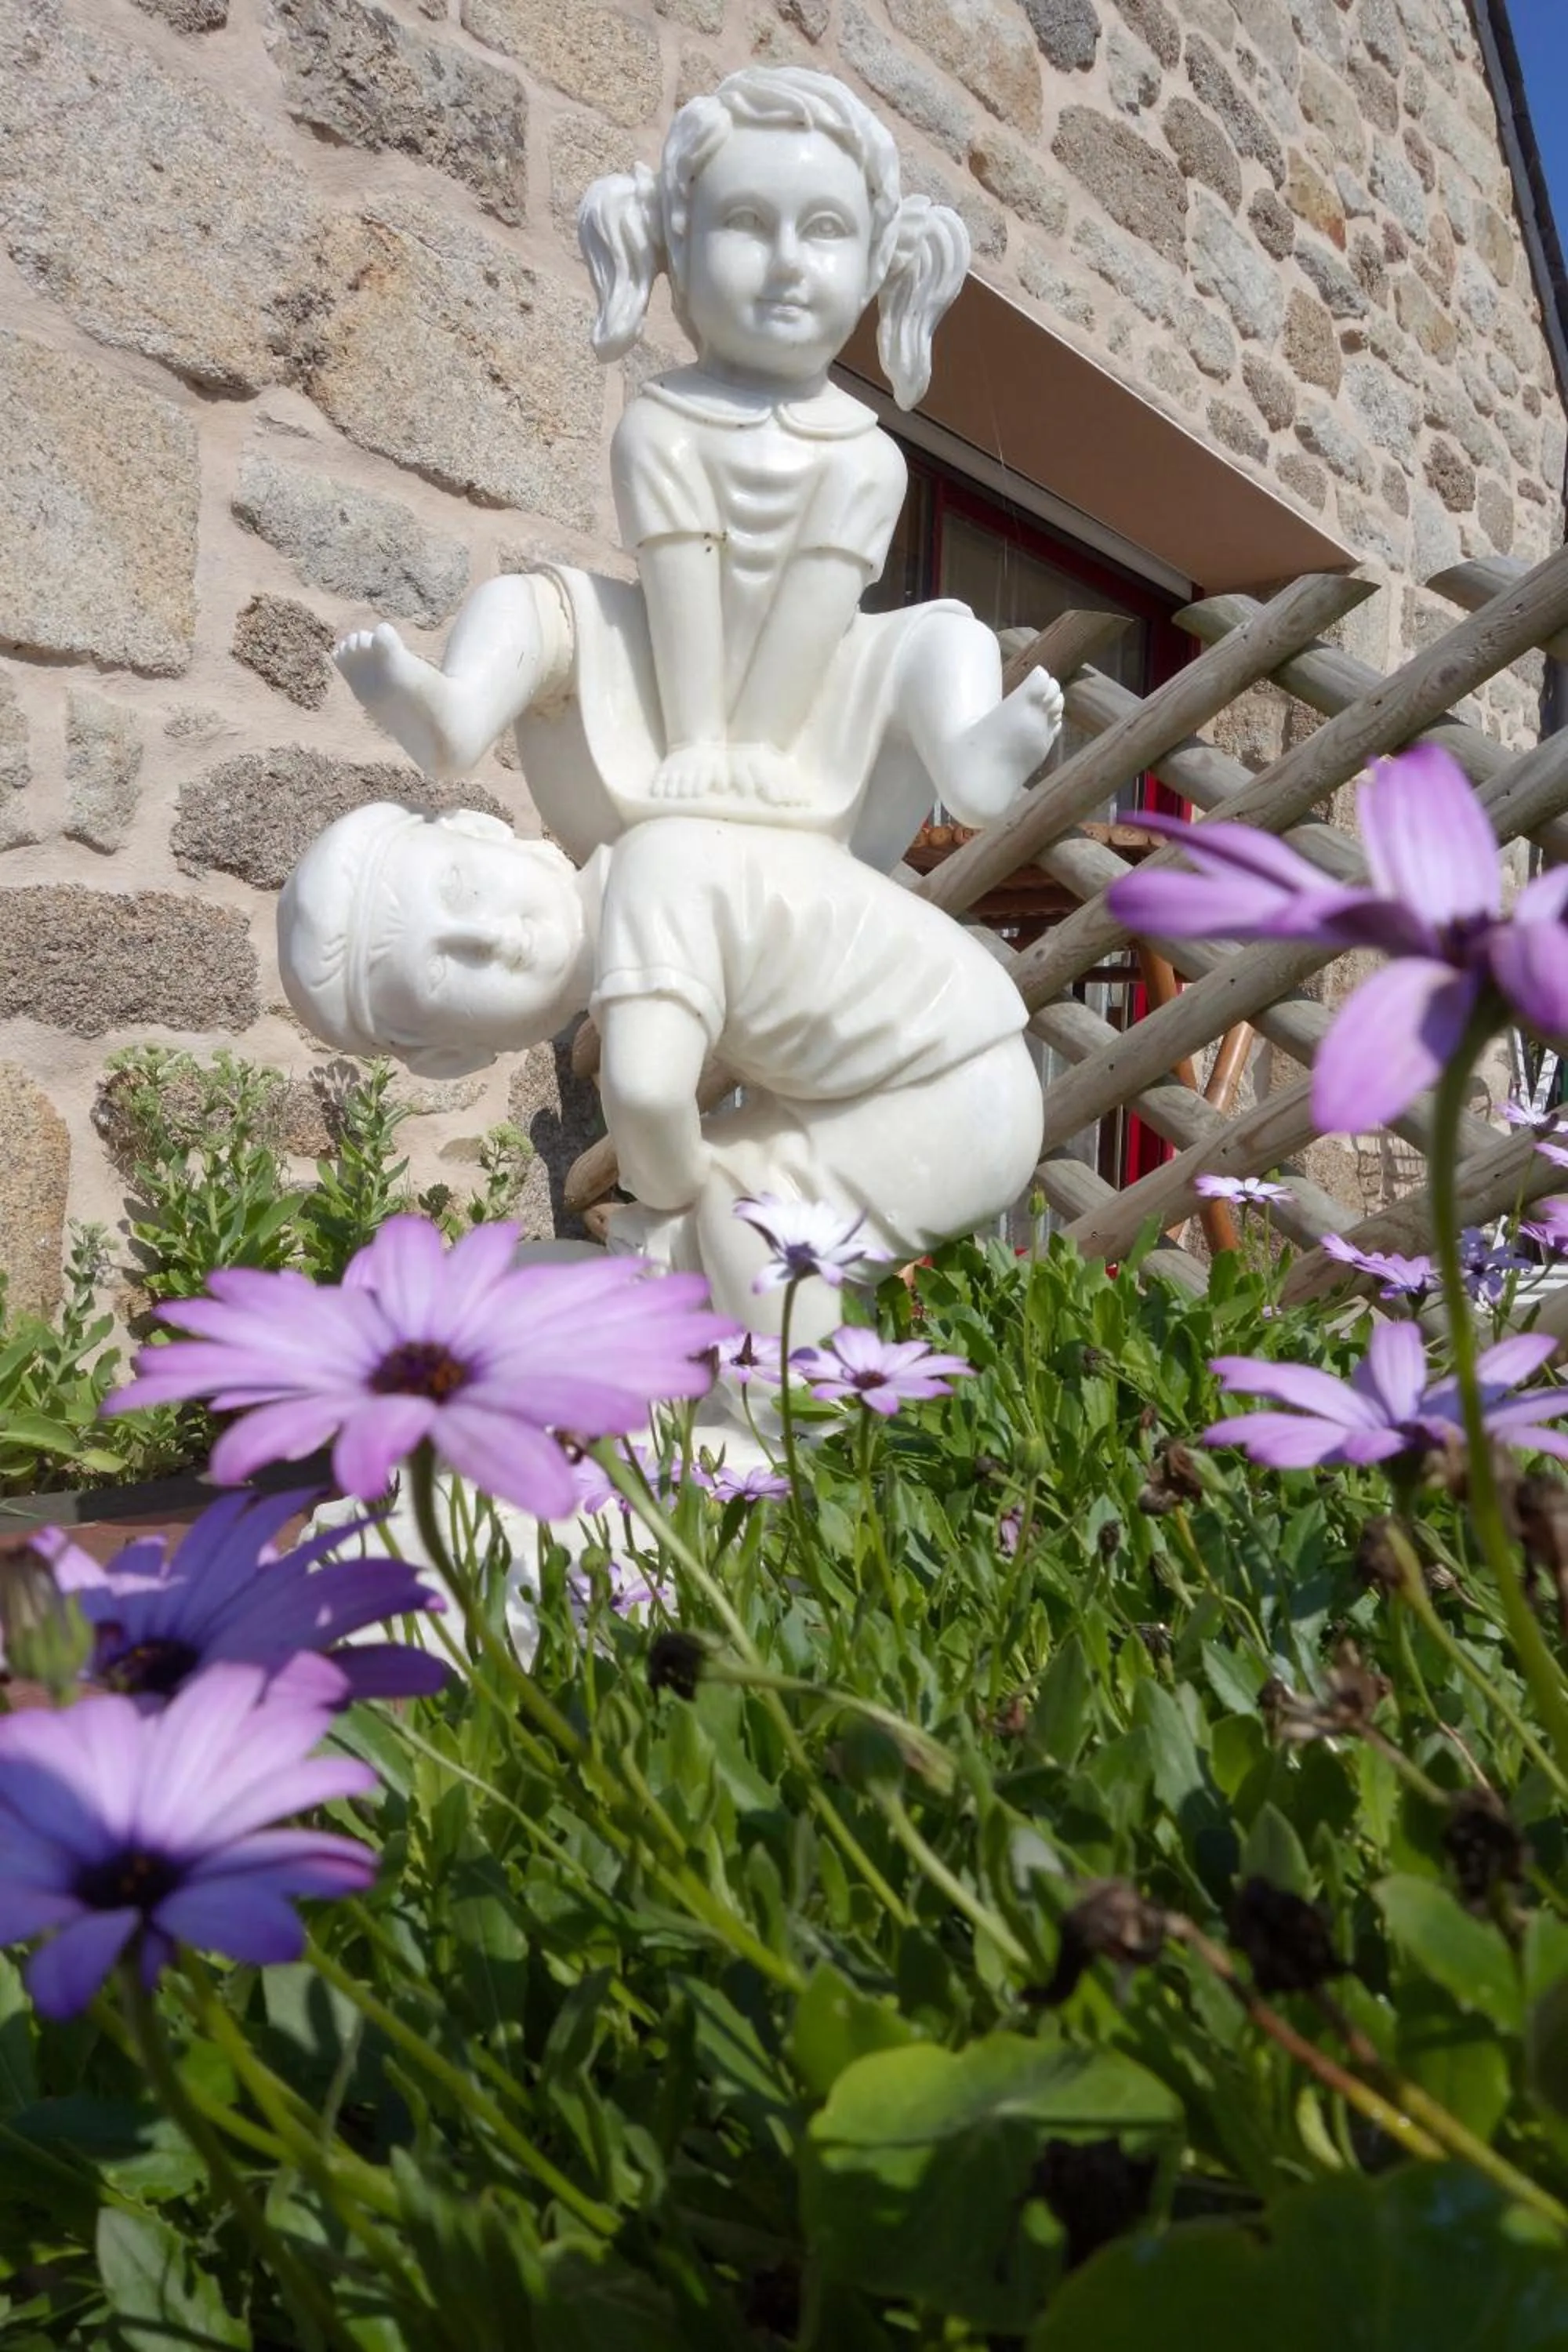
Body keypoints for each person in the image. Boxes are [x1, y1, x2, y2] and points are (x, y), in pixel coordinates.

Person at [332, 66, 1064, 871]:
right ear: (677, 244)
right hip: (660, 705)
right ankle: (458, 714)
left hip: (806, 731)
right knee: (525, 603)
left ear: (874, 263)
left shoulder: (865, 456)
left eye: (823, 229)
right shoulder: (661, 427)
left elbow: (818, 611)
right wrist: (701, 747)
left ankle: (966, 761)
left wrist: (756, 756)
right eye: (747, 222)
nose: (786, 262)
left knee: (947, 635)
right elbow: (680, 581)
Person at [277, 802, 1044, 1336]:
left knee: (746, 1212)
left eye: (458, 887)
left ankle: (780, 1433)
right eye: (442, 975)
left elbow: (647, 1096)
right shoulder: (647, 877)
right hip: (898, 1089)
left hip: (947, 1093)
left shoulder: (651, 876)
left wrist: (675, 1193)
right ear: (455, 1057)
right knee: (698, 1239)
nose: (486, 936)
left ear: (493, 834)